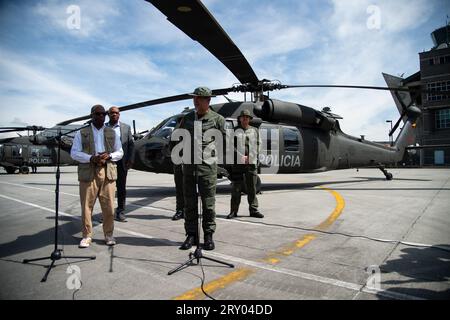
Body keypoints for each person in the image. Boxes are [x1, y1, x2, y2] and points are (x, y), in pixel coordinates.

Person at [175, 87, 225, 251]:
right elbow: (177, 138)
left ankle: (209, 235)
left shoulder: (218, 119)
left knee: (208, 205)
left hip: (208, 169)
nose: (195, 101)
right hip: (189, 169)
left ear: (208, 100)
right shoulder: (188, 118)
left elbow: (227, 142)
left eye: (199, 98)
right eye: (194, 98)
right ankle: (191, 235)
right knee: (189, 204)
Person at [70, 104, 123, 248]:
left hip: (107, 171)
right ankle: (87, 236)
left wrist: (110, 155)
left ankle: (109, 235)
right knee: (87, 206)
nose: (101, 116)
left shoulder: (112, 133)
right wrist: (90, 158)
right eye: (97, 114)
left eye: (103, 114)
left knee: (109, 206)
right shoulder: (81, 133)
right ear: (91, 115)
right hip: (89, 171)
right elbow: (74, 153)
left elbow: (120, 152)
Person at [227, 109, 264, 219]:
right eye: (243, 117)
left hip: (251, 163)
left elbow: (259, 145)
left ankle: (253, 210)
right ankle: (233, 211)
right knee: (236, 189)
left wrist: (250, 157)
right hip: (238, 164)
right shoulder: (234, 131)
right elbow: (230, 146)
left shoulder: (255, 131)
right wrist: (240, 156)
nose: (245, 119)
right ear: (239, 119)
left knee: (252, 188)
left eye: (247, 117)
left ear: (249, 119)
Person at [106, 106, 135, 222]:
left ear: (119, 115)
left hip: (122, 162)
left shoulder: (126, 128)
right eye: (112, 113)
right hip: (107, 162)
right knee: (107, 189)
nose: (114, 115)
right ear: (108, 115)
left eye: (116, 113)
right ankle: (108, 213)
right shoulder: (104, 127)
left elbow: (131, 145)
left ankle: (121, 211)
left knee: (121, 188)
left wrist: (131, 160)